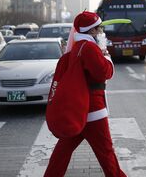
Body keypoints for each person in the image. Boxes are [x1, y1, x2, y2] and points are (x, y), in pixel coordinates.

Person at [45, 12, 126, 177]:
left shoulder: (77, 47)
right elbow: (104, 72)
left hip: (77, 111)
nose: (101, 32)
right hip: (93, 110)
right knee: (106, 154)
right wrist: (107, 57)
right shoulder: (89, 48)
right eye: (98, 29)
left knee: (61, 153)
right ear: (91, 31)